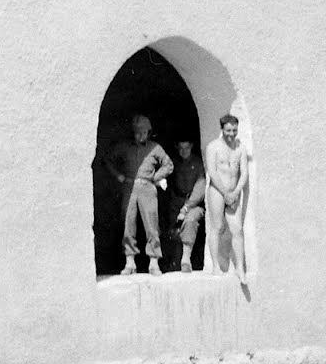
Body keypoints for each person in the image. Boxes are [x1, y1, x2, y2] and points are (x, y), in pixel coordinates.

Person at [107, 113, 173, 276]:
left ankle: (154, 262)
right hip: (129, 187)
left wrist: (155, 177)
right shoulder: (124, 147)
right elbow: (108, 159)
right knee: (128, 223)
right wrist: (118, 176)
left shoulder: (154, 147)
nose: (140, 135)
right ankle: (130, 262)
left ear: (149, 132)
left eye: (144, 132)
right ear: (133, 132)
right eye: (137, 132)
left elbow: (168, 165)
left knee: (151, 224)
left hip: (147, 187)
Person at [204, 114, 250, 280]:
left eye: (234, 130)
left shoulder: (240, 148)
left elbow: (244, 172)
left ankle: (239, 267)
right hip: (217, 191)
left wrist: (236, 192)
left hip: (233, 192)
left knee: (237, 229)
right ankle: (216, 266)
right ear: (222, 129)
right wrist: (225, 193)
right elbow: (212, 171)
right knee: (217, 227)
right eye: (228, 130)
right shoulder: (213, 147)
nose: (231, 133)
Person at [165, 139, 205, 273]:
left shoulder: (198, 164)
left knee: (190, 220)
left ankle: (186, 259)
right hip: (177, 202)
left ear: (191, 146)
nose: (184, 151)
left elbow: (200, 187)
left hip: (194, 204)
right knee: (173, 230)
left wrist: (186, 207)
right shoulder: (174, 163)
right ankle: (174, 264)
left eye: (187, 147)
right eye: (181, 148)